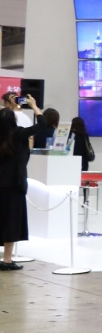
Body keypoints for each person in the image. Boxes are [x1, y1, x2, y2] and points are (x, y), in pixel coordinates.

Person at [0, 95, 43, 270]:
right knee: (11, 222)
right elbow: (43, 125)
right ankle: (7, 259)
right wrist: (35, 107)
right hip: (14, 185)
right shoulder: (18, 134)